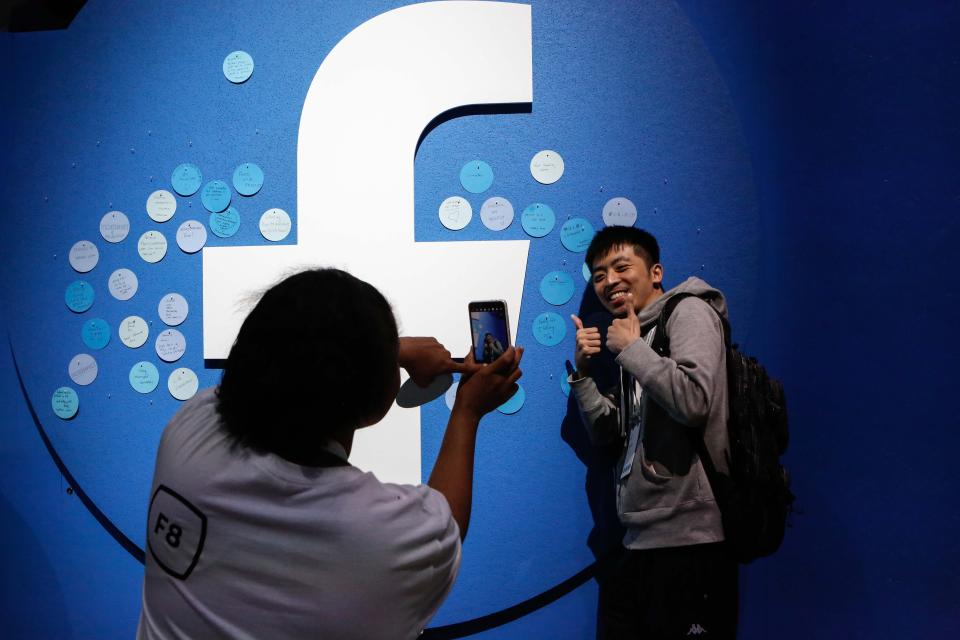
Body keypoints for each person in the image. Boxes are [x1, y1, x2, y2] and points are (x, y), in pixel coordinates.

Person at [137, 268, 523, 640]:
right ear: (375, 396)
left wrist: (390, 352)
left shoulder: (189, 428)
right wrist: (467, 411)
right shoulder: (379, 538)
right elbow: (447, 526)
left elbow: (280, 360)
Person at [568, 227, 738, 639]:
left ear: (656, 272)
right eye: (599, 275)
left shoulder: (690, 312)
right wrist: (585, 376)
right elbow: (610, 435)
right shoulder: (635, 334)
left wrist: (631, 350)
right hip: (637, 541)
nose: (610, 281)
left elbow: (696, 401)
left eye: (621, 266)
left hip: (690, 542)